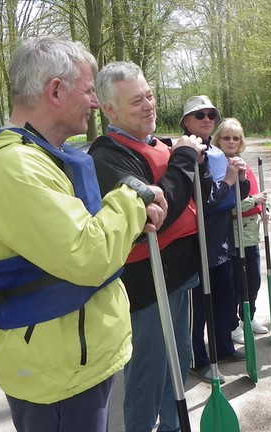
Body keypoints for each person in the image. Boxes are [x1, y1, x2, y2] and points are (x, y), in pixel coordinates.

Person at [0, 37, 167, 432]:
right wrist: (134, 198)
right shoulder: (12, 167)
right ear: (55, 90)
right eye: (88, 90)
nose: (94, 102)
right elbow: (88, 253)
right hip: (58, 377)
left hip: (78, 362)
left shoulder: (46, 157)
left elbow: (80, 232)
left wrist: (130, 220)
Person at [87, 62, 206, 432]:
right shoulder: (107, 156)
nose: (149, 105)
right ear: (110, 110)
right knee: (148, 371)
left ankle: (173, 427)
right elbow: (155, 214)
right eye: (136, 100)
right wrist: (185, 158)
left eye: (150, 96)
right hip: (147, 283)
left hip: (178, 275)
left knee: (179, 360)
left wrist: (186, 156)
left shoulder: (157, 144)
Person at [182, 96, 250, 382]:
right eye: (200, 115)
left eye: (211, 114)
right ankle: (199, 359)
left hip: (222, 242)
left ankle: (222, 347)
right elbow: (204, 204)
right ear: (186, 122)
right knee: (200, 306)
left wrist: (241, 179)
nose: (207, 119)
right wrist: (229, 183)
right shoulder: (184, 155)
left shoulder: (217, 153)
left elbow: (236, 197)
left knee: (223, 299)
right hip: (197, 245)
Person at [212, 118, 270, 344]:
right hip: (231, 234)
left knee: (253, 280)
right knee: (236, 282)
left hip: (250, 234)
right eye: (226, 137)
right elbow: (226, 202)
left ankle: (249, 317)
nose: (231, 141)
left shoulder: (242, 163)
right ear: (219, 140)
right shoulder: (218, 166)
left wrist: (264, 208)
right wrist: (253, 201)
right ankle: (233, 324)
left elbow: (256, 193)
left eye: (236, 138)